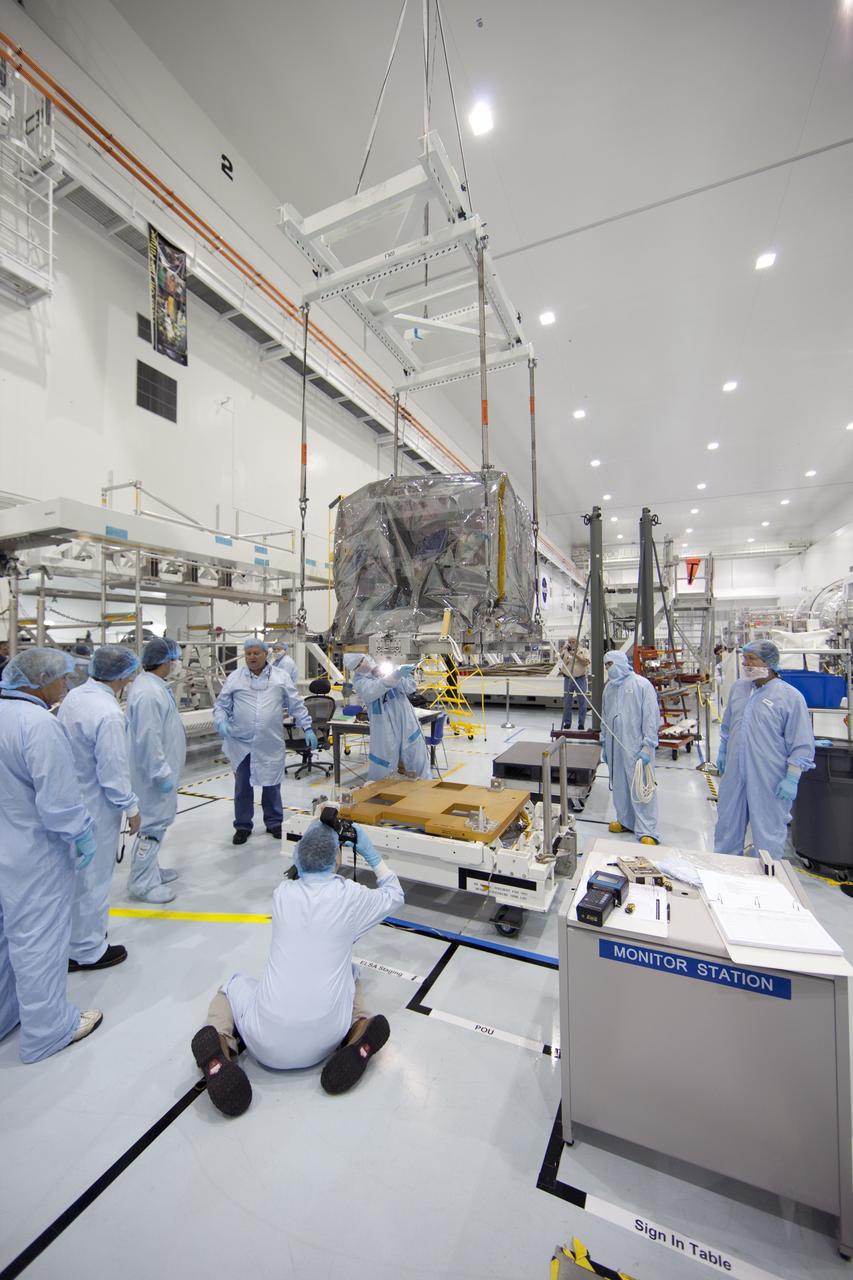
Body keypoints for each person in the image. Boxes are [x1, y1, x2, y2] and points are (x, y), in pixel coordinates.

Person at [191, 818, 403, 1116]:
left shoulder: (282, 895)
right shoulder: (350, 895)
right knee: (351, 975)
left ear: (298, 855)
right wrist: (371, 855)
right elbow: (395, 896)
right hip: (327, 1040)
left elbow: (300, 874)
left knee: (230, 987)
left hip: (264, 1044)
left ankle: (219, 1049)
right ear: (337, 857)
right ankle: (360, 1031)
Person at [0, 648, 103, 1061]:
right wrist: (80, 834)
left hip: (6, 845)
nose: (65, 685)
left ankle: (7, 1015)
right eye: (61, 678)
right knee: (38, 938)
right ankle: (48, 1030)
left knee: (6, 939)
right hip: (34, 852)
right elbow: (58, 800)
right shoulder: (38, 724)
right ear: (40, 679)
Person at [58, 645, 141, 970]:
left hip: (72, 802)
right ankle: (88, 950)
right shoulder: (107, 714)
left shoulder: (76, 698)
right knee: (93, 880)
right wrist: (131, 807)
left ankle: (74, 938)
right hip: (97, 806)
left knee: (76, 878)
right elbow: (113, 770)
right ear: (124, 674)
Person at [714, 639, 815, 860]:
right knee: (727, 823)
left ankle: (767, 879)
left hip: (768, 776)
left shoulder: (790, 697)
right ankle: (723, 871)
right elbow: (728, 724)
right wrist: (723, 750)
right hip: (734, 772)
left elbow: (801, 743)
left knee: (768, 830)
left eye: (752, 659)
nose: (745, 663)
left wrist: (792, 778)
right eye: (744, 658)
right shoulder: (739, 688)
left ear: (768, 662)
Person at [213, 638, 316, 846]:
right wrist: (220, 720)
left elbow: (296, 704)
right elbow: (222, 705)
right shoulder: (235, 678)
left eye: (256, 653)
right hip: (241, 742)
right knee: (242, 786)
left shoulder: (281, 677)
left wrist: (307, 726)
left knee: (271, 784)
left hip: (269, 742)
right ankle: (242, 826)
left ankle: (274, 822)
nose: (252, 657)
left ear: (265, 654)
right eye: (248, 653)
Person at [125, 636, 187, 903]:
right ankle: (142, 883)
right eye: (175, 658)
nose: (177, 663)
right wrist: (161, 773)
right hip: (154, 777)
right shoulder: (149, 693)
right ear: (166, 661)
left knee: (157, 827)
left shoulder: (153, 686)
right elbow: (149, 739)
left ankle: (151, 871)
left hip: (160, 772)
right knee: (151, 828)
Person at [601, 649, 661, 845]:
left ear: (620, 662)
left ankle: (647, 830)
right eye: (606, 666)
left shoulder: (641, 685)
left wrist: (647, 746)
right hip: (614, 745)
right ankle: (625, 820)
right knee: (620, 784)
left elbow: (651, 717)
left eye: (610, 664)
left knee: (640, 785)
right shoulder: (609, 688)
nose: (608, 669)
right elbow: (605, 716)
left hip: (636, 745)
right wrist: (604, 740)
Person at [342, 653, 430, 781]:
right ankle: (380, 792)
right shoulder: (359, 681)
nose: (363, 665)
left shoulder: (389, 667)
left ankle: (425, 787)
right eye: (358, 666)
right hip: (383, 725)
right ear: (354, 670)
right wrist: (392, 677)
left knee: (416, 754)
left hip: (405, 719)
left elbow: (410, 687)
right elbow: (373, 691)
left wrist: (398, 676)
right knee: (382, 761)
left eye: (362, 660)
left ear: (367, 656)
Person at [559, 637, 591, 730]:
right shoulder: (565, 652)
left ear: (577, 642)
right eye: (569, 642)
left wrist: (575, 655)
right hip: (568, 679)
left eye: (573, 642)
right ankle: (567, 722)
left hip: (580, 679)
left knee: (582, 702)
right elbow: (557, 657)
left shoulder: (584, 651)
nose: (571, 643)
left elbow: (586, 662)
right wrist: (563, 648)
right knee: (567, 702)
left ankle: (581, 723)